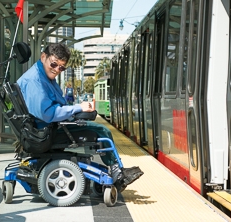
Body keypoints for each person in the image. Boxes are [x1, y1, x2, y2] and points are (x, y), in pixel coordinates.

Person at [16, 43, 143, 192]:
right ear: (43, 57)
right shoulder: (35, 81)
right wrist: (78, 108)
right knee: (103, 132)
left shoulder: (44, 76)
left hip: (45, 129)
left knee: (93, 126)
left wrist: (76, 110)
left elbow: (58, 104)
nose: (57, 70)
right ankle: (117, 172)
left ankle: (116, 168)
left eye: (61, 67)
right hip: (44, 134)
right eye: (54, 64)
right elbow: (48, 114)